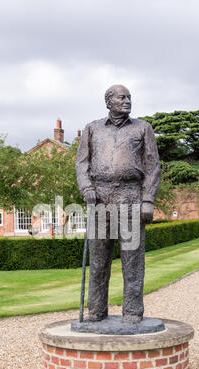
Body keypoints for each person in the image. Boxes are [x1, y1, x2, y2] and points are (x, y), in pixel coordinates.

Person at [75, 85, 161, 323]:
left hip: (130, 197)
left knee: (132, 260)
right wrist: (87, 188)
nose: (127, 101)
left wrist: (147, 199)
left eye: (129, 98)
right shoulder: (92, 129)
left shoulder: (143, 128)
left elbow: (153, 166)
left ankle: (133, 310)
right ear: (108, 102)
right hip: (100, 199)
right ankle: (96, 309)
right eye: (122, 98)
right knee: (99, 260)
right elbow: (81, 165)